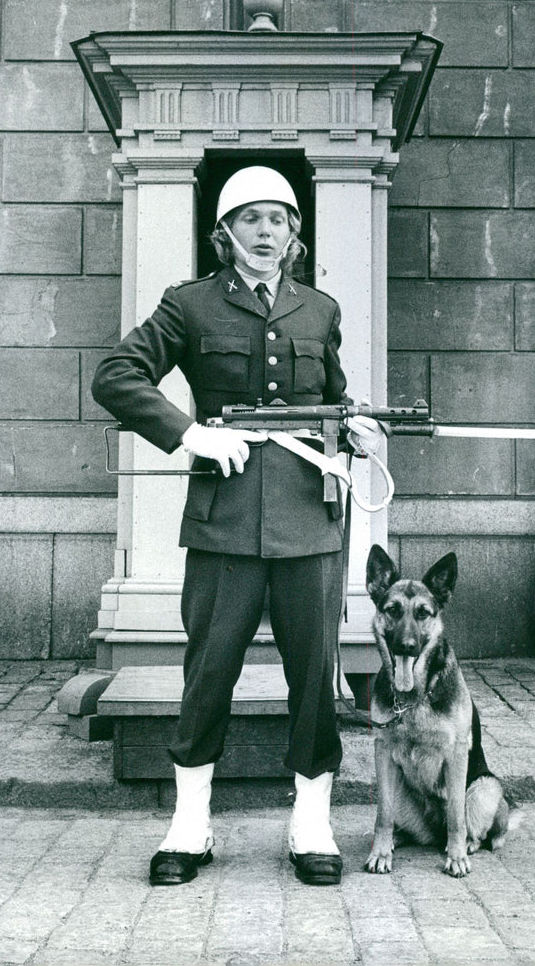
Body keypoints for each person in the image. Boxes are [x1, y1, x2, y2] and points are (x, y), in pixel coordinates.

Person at [91, 166, 381, 887]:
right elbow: (116, 375)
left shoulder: (320, 309)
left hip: (311, 523)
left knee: (315, 677)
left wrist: (358, 432)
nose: (265, 233)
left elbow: (333, 405)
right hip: (223, 526)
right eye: (249, 219)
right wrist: (189, 434)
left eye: (278, 220)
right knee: (208, 672)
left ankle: (310, 822)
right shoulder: (189, 306)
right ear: (226, 234)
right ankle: (191, 824)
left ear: (293, 235)